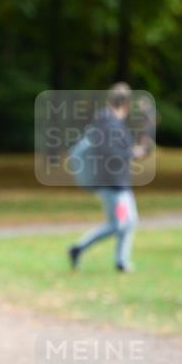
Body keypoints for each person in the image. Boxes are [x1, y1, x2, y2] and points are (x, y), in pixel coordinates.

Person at [68, 83, 147, 272]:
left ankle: (121, 260)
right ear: (126, 104)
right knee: (117, 224)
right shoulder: (109, 124)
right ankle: (79, 248)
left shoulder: (105, 122)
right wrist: (132, 153)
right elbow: (112, 153)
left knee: (129, 221)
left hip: (117, 184)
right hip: (113, 185)